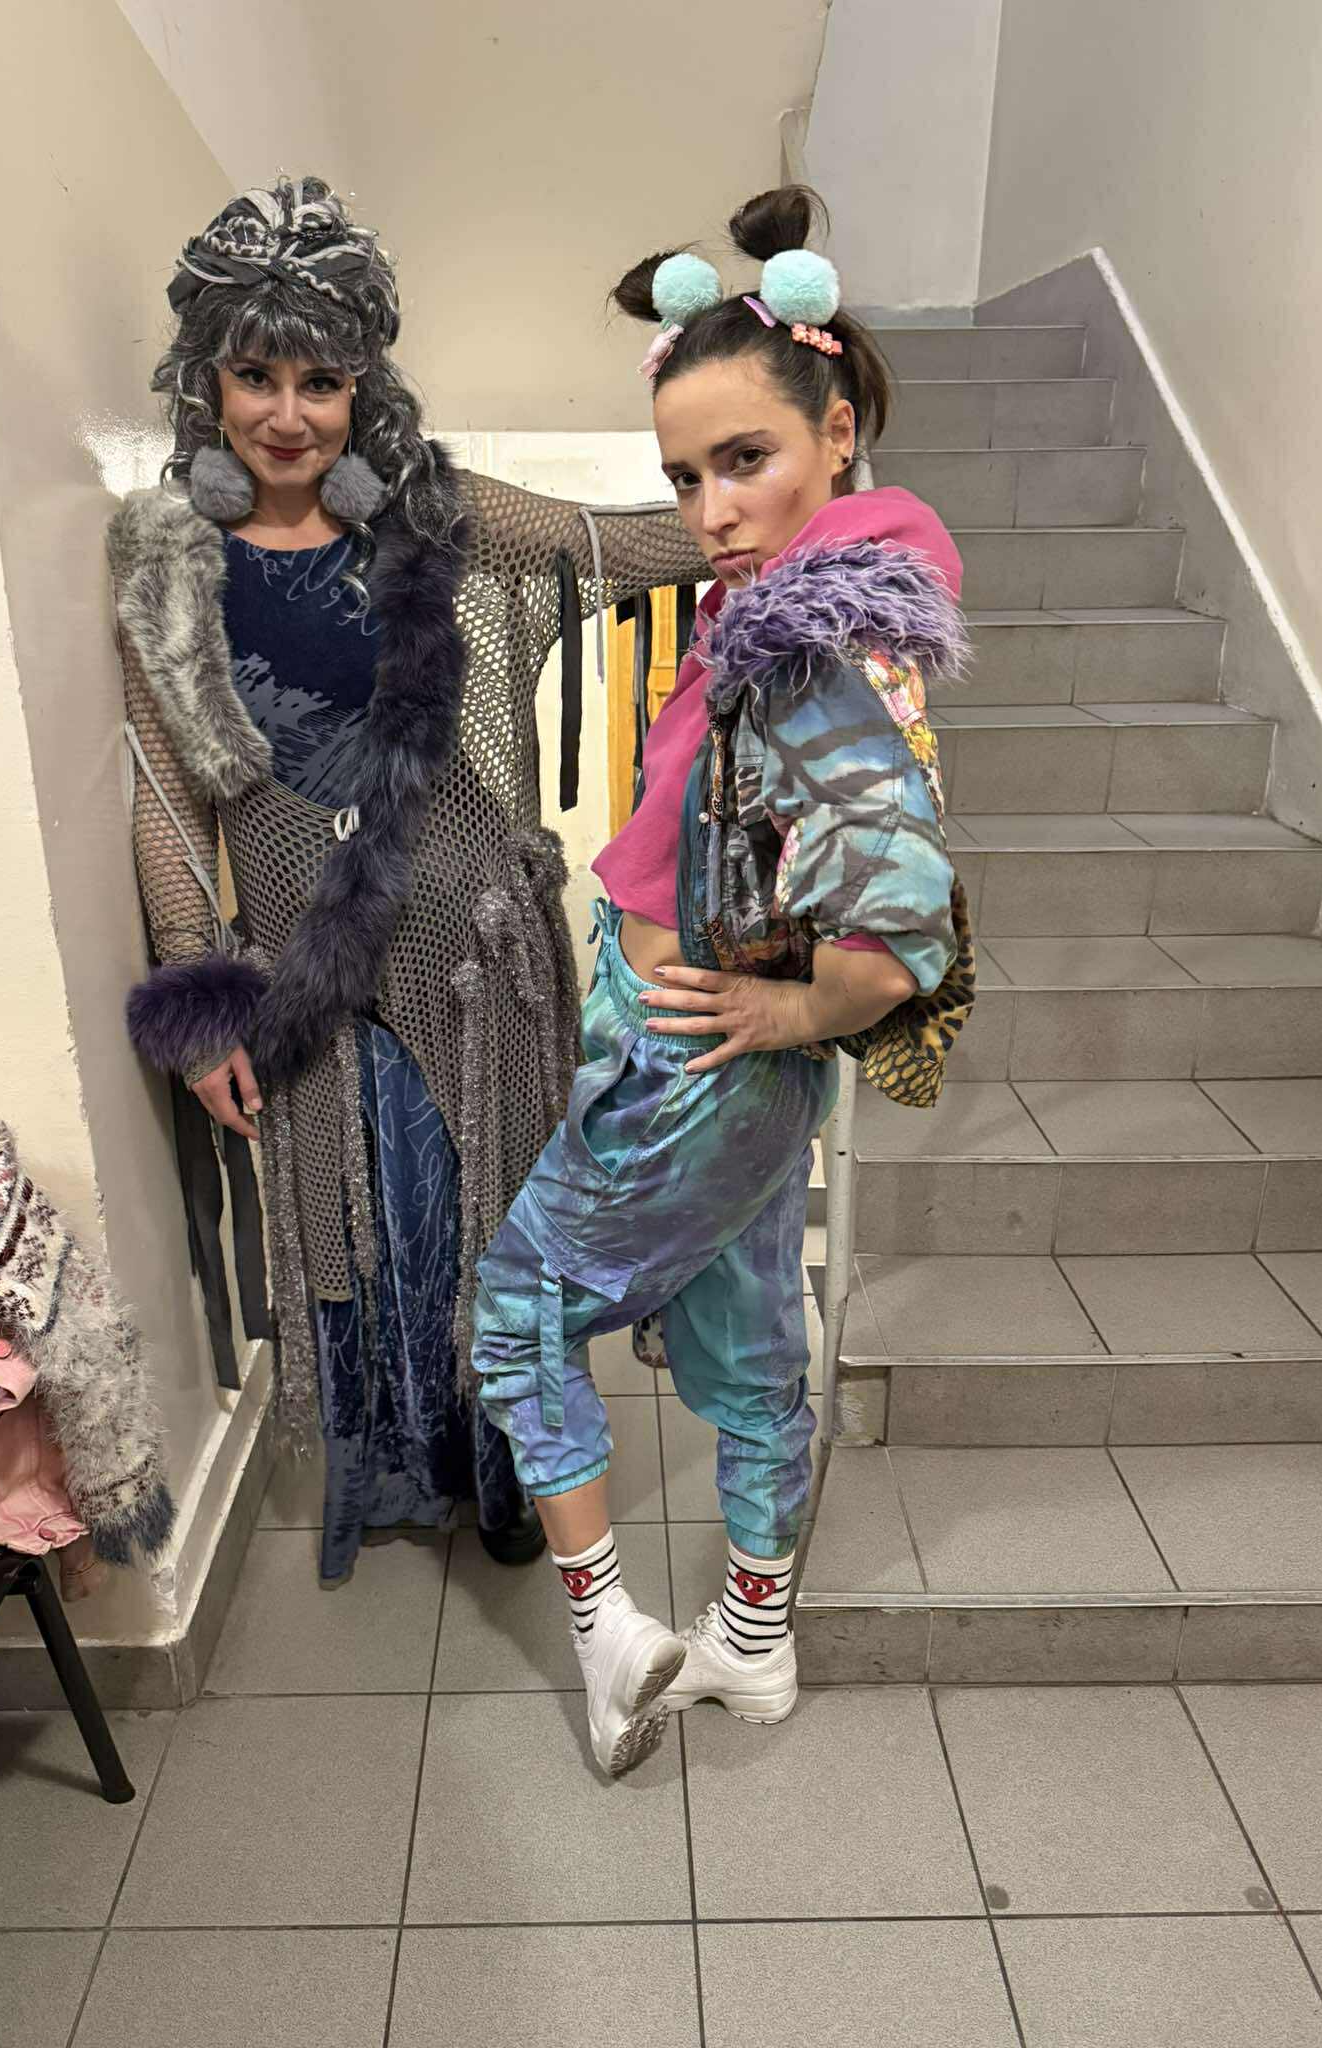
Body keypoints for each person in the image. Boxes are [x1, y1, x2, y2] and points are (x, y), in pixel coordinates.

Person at [113, 178, 707, 1583]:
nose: (287, 415)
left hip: (467, 945)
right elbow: (164, 793)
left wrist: (776, 491)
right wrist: (198, 1004)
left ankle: (511, 1475)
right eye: (257, 376)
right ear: (206, 378)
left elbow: (615, 546)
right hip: (307, 966)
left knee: (481, 1212)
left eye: (321, 381)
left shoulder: (430, 514)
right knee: (358, 1226)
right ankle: (400, 1470)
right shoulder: (165, 558)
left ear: (362, 385)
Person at [472, 186, 972, 1777]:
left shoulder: (812, 643)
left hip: (696, 1056)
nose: (710, 507)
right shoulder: (795, 604)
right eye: (686, 475)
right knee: (754, 1355)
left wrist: (794, 1008)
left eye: (744, 460)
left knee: (517, 1310)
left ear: (837, 432)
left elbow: (905, 925)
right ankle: (755, 1643)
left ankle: (609, 1634)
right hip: (728, 1062)